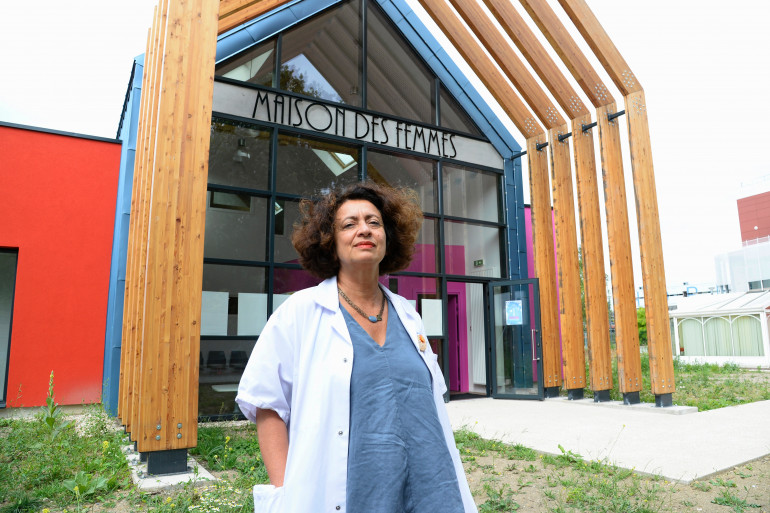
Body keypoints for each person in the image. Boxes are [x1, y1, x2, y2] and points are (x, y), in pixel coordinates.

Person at [236, 181, 477, 513]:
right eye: (349, 224)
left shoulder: (409, 315)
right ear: (331, 243)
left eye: (373, 222)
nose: (364, 229)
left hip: (433, 492)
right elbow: (267, 404)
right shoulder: (300, 312)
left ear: (386, 237)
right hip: (358, 496)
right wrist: (284, 491)